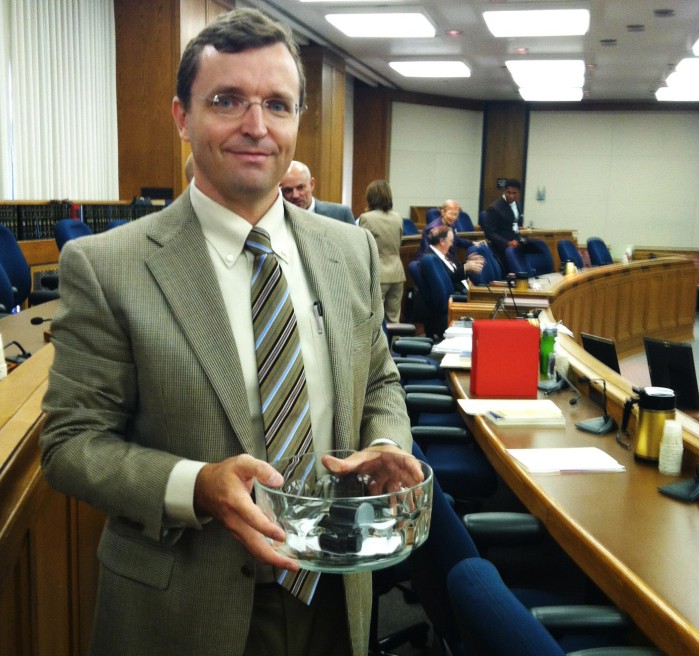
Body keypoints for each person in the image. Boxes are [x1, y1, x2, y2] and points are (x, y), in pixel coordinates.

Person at [38, 8, 418, 656]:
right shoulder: (107, 267)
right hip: (185, 607)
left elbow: (378, 375)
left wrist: (385, 443)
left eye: (277, 104)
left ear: (298, 120)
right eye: (227, 101)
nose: (256, 126)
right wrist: (197, 486)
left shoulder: (348, 251)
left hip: (335, 592)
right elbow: (71, 445)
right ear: (182, 117)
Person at [357, 180, 406, 323]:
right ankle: (396, 345)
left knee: (376, 320)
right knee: (394, 318)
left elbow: (362, 245)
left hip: (378, 273)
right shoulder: (398, 217)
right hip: (397, 273)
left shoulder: (366, 218)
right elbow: (400, 241)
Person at [280, 160, 356, 224]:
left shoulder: (340, 215)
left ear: (312, 184)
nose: (295, 195)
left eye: (300, 188)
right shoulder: (278, 219)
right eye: (288, 190)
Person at [425, 225, 484, 291]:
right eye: (451, 241)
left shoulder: (446, 253)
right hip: (457, 298)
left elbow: (456, 270)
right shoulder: (430, 259)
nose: (452, 244)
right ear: (442, 241)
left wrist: (469, 264)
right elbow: (445, 281)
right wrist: (465, 267)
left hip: (466, 292)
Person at [483, 178, 525, 269]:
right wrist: (507, 243)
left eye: (514, 193)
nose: (511, 196)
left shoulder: (518, 204)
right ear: (504, 191)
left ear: (519, 193)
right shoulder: (494, 208)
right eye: (508, 192)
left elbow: (516, 223)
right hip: (501, 249)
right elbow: (489, 233)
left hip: (516, 246)